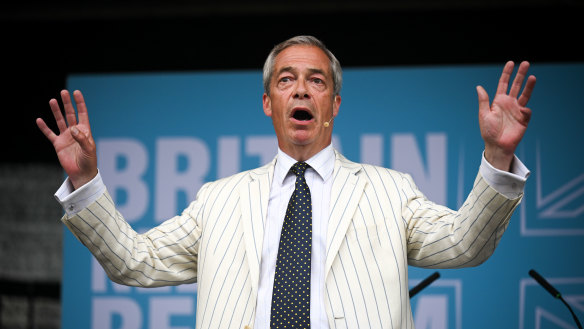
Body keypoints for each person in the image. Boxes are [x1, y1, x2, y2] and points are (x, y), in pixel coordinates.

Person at [37, 35, 536, 329]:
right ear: (268, 103)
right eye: (286, 80)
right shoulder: (218, 200)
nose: (301, 88)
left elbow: (465, 244)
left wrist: (497, 155)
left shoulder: (389, 190)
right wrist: (85, 181)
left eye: (317, 80)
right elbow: (134, 262)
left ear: (334, 105)